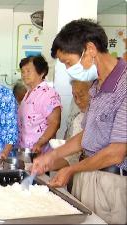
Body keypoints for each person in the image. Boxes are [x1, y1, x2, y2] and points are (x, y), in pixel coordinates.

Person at [32, 19, 126, 224]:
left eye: (68, 62)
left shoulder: (124, 86)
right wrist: (52, 156)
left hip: (112, 182)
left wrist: (72, 169)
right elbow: (87, 134)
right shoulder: (97, 86)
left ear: (90, 49)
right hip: (88, 175)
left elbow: (117, 152)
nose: (67, 69)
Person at [17, 55, 61, 154]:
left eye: (28, 71)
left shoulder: (48, 94)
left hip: (39, 152)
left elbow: (54, 123)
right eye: (22, 72)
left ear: (42, 72)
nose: (24, 75)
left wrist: (40, 143)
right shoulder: (28, 93)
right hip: (25, 150)